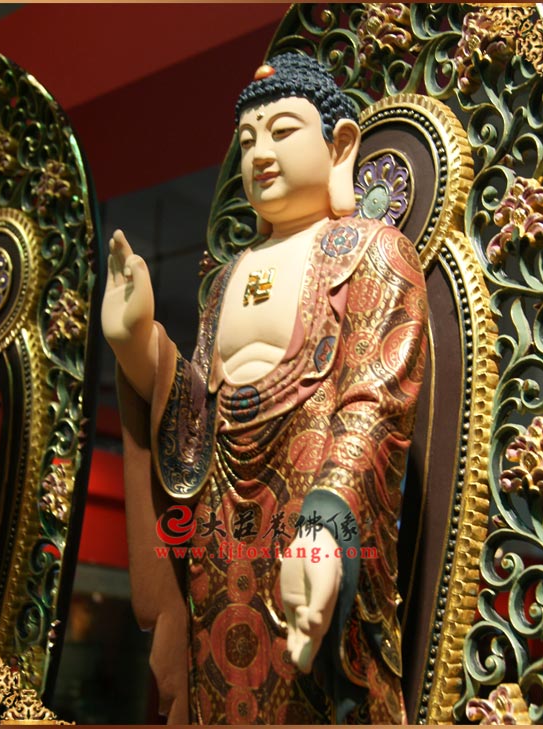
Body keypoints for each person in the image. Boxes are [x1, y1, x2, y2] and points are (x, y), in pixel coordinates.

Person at [102, 52, 428, 724]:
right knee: (216, 691)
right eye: (247, 140)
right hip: (220, 531)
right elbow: (198, 418)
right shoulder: (229, 276)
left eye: (282, 132)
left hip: (317, 514)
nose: (260, 153)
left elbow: (374, 402)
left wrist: (327, 524)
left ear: (339, 145)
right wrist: (137, 344)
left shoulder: (372, 249)